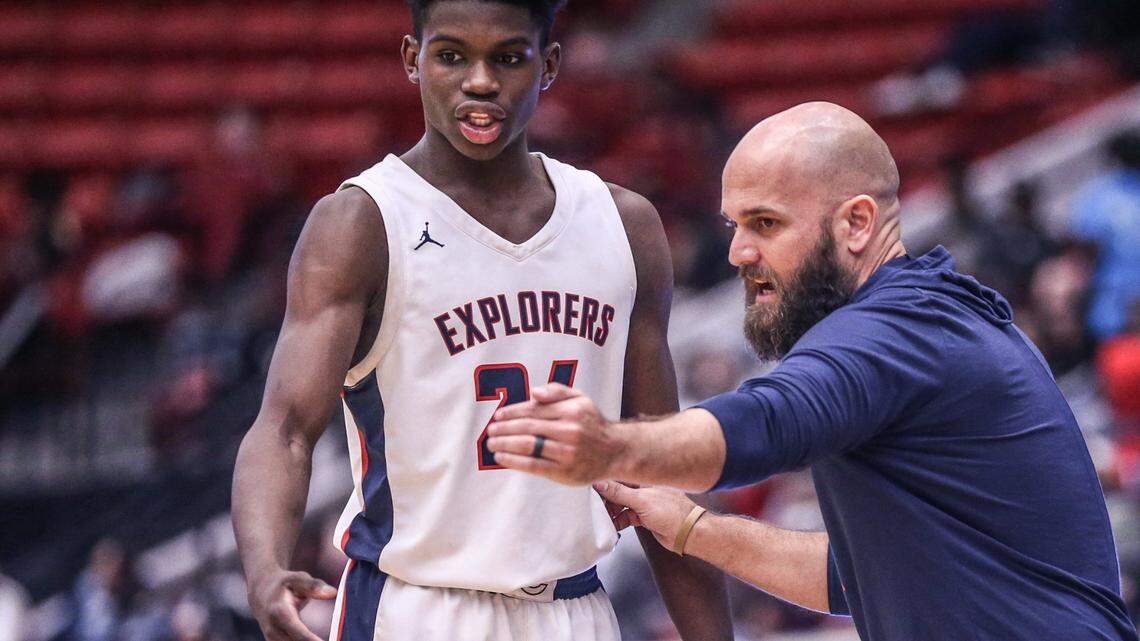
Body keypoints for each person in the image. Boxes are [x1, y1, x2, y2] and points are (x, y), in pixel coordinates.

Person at [487, 102, 1140, 641]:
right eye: (734, 225)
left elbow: (767, 423)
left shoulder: (892, 332)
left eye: (765, 223)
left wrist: (608, 444)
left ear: (856, 222)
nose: (739, 252)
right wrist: (688, 527)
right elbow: (857, 575)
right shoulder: (928, 319)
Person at [230, 2, 732, 641]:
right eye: (451, 56)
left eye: (508, 58)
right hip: (417, 609)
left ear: (548, 65)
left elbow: (659, 474)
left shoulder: (623, 225)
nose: (480, 81)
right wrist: (265, 569)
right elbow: (284, 429)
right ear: (412, 60)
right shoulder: (363, 221)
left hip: (576, 608)